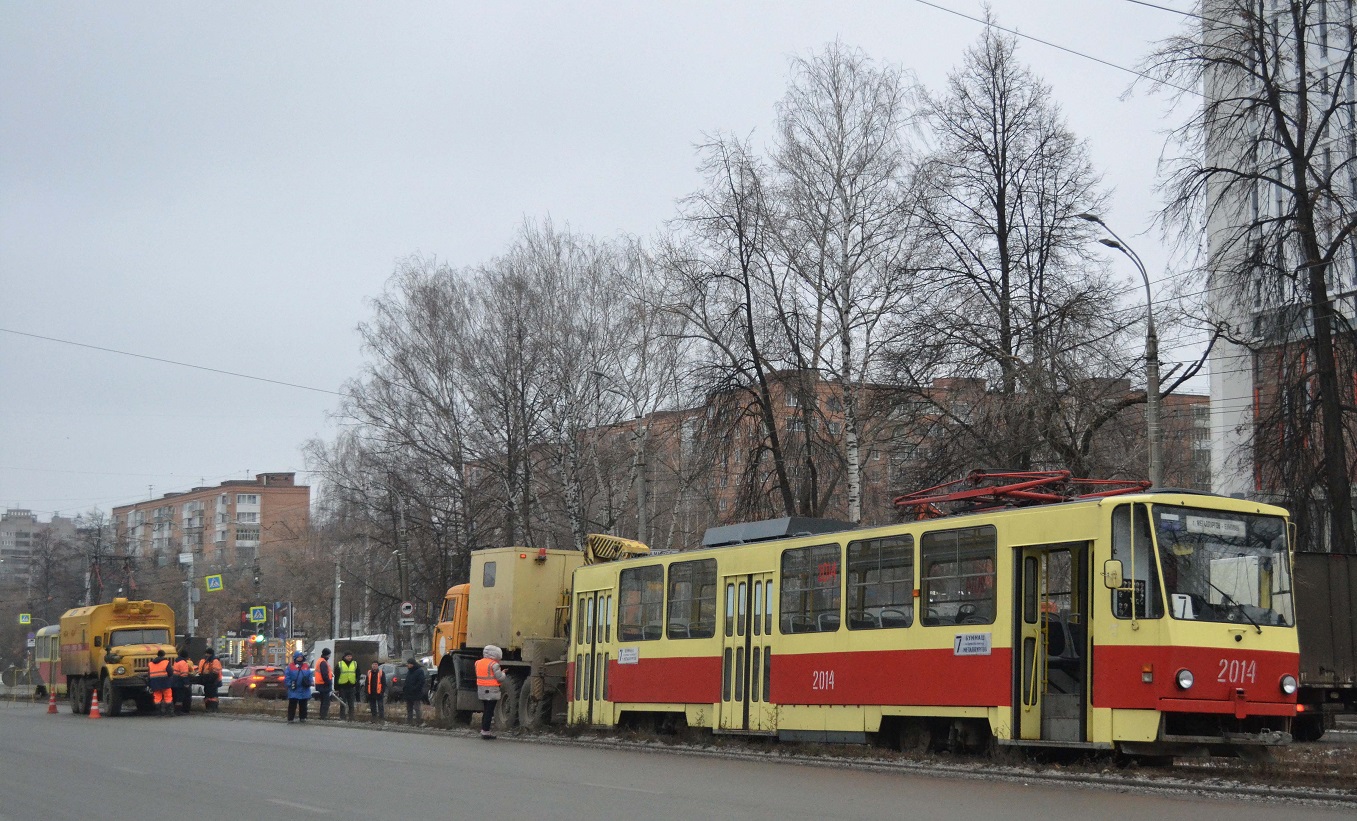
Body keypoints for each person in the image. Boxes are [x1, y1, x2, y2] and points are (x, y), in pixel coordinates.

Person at [475, 645, 507, 739]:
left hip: (481, 689)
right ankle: (486, 732)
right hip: (492, 690)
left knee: (486, 711)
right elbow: (500, 678)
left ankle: (484, 730)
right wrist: (504, 673)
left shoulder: (478, 663)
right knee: (489, 711)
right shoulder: (494, 664)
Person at [284, 651, 314, 723]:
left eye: (301, 657)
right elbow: (287, 676)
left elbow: (310, 674)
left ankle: (303, 717)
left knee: (303, 704)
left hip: (304, 688)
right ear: (295, 658)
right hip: (294, 688)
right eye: (298, 657)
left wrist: (310, 682)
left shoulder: (306, 666)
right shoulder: (290, 666)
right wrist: (289, 684)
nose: (300, 658)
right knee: (292, 704)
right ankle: (291, 718)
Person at [147, 649, 174, 716]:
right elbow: (170, 672)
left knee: (157, 697)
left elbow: (149, 675)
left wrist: (149, 684)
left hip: (155, 683)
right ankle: (169, 712)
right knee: (168, 697)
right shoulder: (166, 662)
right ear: (163, 655)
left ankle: (159, 712)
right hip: (165, 682)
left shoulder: (151, 664)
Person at [197, 648, 223, 713]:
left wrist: (210, 680)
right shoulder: (207, 661)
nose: (206, 655)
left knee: (213, 695)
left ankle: (213, 708)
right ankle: (209, 708)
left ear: (210, 654)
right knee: (208, 694)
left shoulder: (214, 661)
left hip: (214, 681)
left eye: (207, 653)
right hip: (209, 680)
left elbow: (215, 673)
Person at [402, 657, 426, 726]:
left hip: (416, 693)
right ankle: (409, 722)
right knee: (409, 708)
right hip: (408, 693)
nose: (408, 665)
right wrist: (405, 689)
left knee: (417, 708)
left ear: (413, 664)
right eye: (408, 664)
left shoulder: (419, 671)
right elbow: (407, 681)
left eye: (409, 664)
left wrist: (415, 688)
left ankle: (419, 722)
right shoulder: (409, 671)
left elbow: (421, 682)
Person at [335, 650, 358, 720]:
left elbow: (358, 674)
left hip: (351, 686)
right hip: (342, 687)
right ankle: (342, 717)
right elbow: (337, 676)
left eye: (350, 656)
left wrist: (356, 683)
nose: (349, 657)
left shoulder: (354, 663)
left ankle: (351, 717)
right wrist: (336, 688)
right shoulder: (340, 664)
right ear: (344, 657)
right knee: (342, 703)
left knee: (351, 703)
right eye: (348, 656)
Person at [313, 647, 334, 720]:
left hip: (320, 683)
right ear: (326, 655)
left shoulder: (320, 661)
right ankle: (323, 716)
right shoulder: (323, 662)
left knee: (323, 701)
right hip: (324, 684)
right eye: (329, 655)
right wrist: (328, 682)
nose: (329, 656)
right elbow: (325, 674)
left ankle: (322, 715)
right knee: (326, 701)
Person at [172, 650, 193, 714]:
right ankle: (179, 711)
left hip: (175, 681)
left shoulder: (176, 661)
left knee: (176, 696)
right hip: (180, 682)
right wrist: (186, 683)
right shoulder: (183, 663)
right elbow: (184, 674)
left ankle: (176, 710)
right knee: (180, 697)